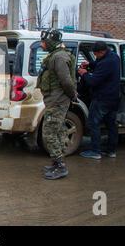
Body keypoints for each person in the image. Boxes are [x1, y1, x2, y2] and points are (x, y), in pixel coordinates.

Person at [36, 29, 77, 180]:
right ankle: (56, 162)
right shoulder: (56, 55)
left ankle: (60, 166)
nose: (42, 45)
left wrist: (73, 95)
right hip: (55, 101)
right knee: (58, 131)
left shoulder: (59, 57)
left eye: (44, 42)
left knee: (49, 133)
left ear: (51, 42)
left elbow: (66, 81)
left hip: (58, 101)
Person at [78, 41, 120, 160]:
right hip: (113, 98)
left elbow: (93, 81)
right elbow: (99, 64)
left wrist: (84, 73)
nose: (95, 57)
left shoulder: (107, 62)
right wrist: (90, 64)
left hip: (102, 98)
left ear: (102, 51)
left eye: (96, 54)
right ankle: (111, 151)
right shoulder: (114, 57)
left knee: (93, 123)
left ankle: (95, 151)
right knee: (111, 124)